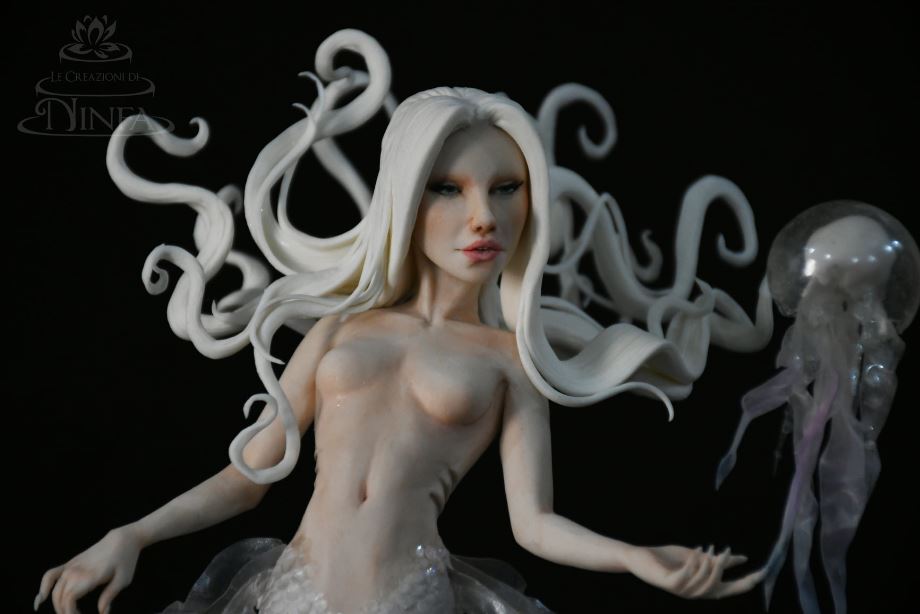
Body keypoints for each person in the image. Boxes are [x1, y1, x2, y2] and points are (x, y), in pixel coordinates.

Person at [35, 30, 771, 614]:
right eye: (448, 189)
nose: (483, 217)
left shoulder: (511, 359)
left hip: (411, 597)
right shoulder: (340, 330)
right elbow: (246, 476)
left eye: (506, 188)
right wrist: (129, 535)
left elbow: (535, 524)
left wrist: (634, 557)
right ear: (404, 199)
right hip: (294, 593)